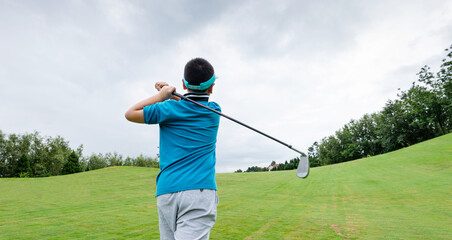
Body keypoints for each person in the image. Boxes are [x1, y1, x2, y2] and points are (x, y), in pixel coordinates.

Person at [125, 58, 220, 240]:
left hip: (167, 192)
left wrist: (161, 96)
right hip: (198, 192)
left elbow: (130, 113)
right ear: (212, 87)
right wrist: (170, 95)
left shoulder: (167, 109)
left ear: (184, 84)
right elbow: (193, 105)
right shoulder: (214, 111)